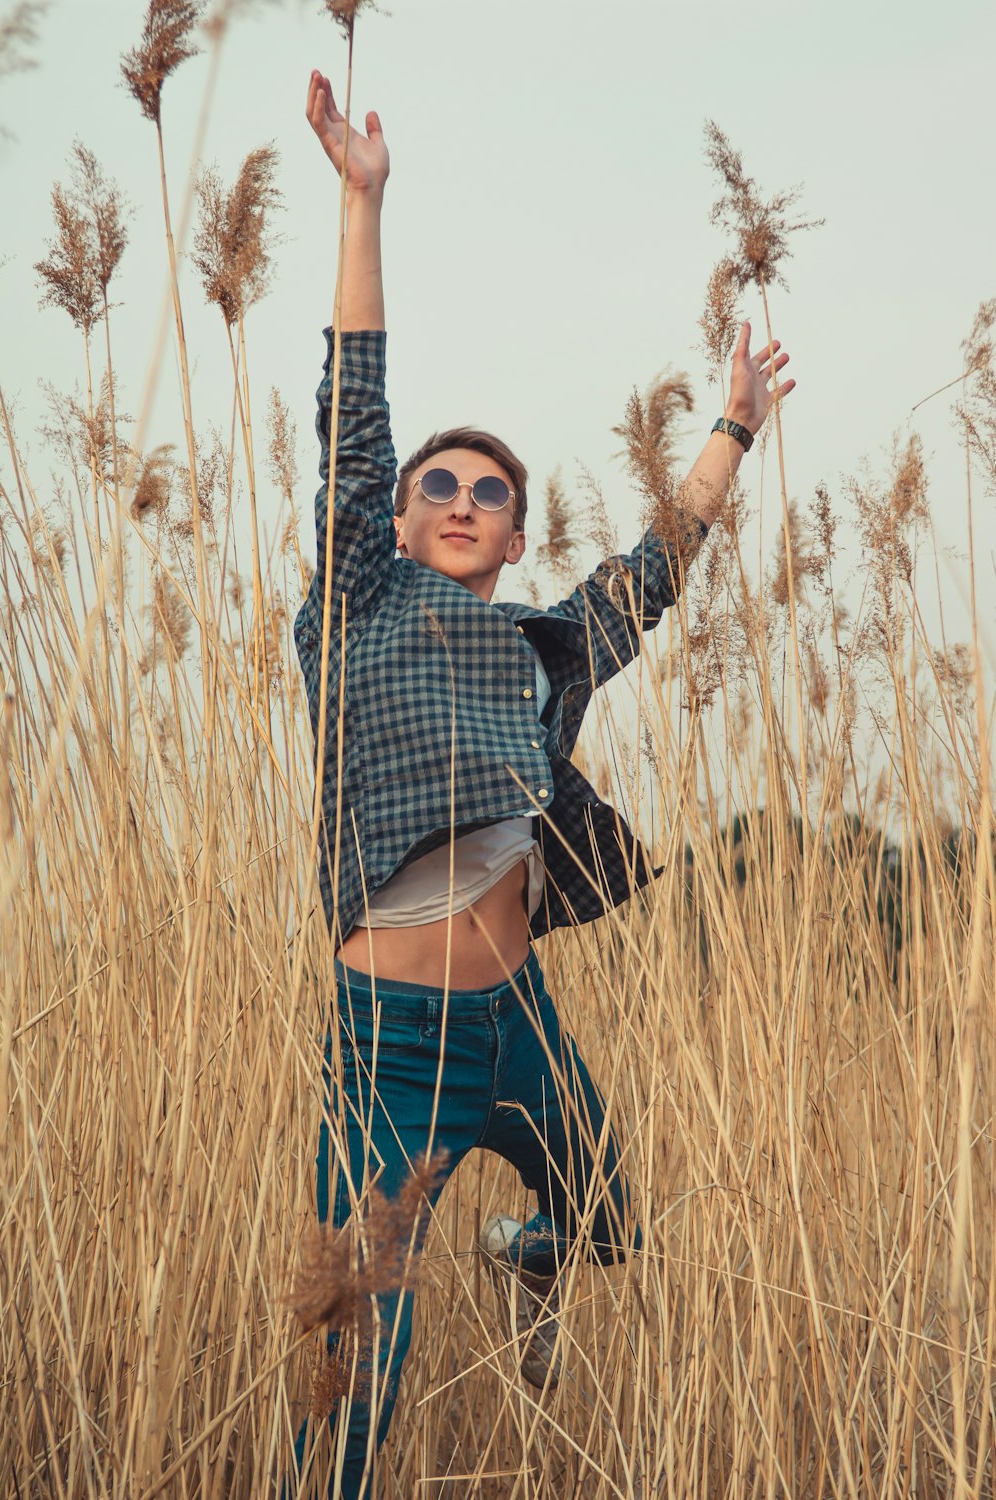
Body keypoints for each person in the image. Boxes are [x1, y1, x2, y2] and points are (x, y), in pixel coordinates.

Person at [290, 67, 795, 1499]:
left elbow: (658, 569)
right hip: (389, 1037)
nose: (460, 501)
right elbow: (357, 404)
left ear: (513, 535)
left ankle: (527, 1253)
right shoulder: (359, 611)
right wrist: (360, 199)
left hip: (517, 1022)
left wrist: (737, 423)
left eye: (487, 493)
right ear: (395, 523)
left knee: (609, 1214)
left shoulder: (542, 654)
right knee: (358, 1341)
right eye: (437, 488)